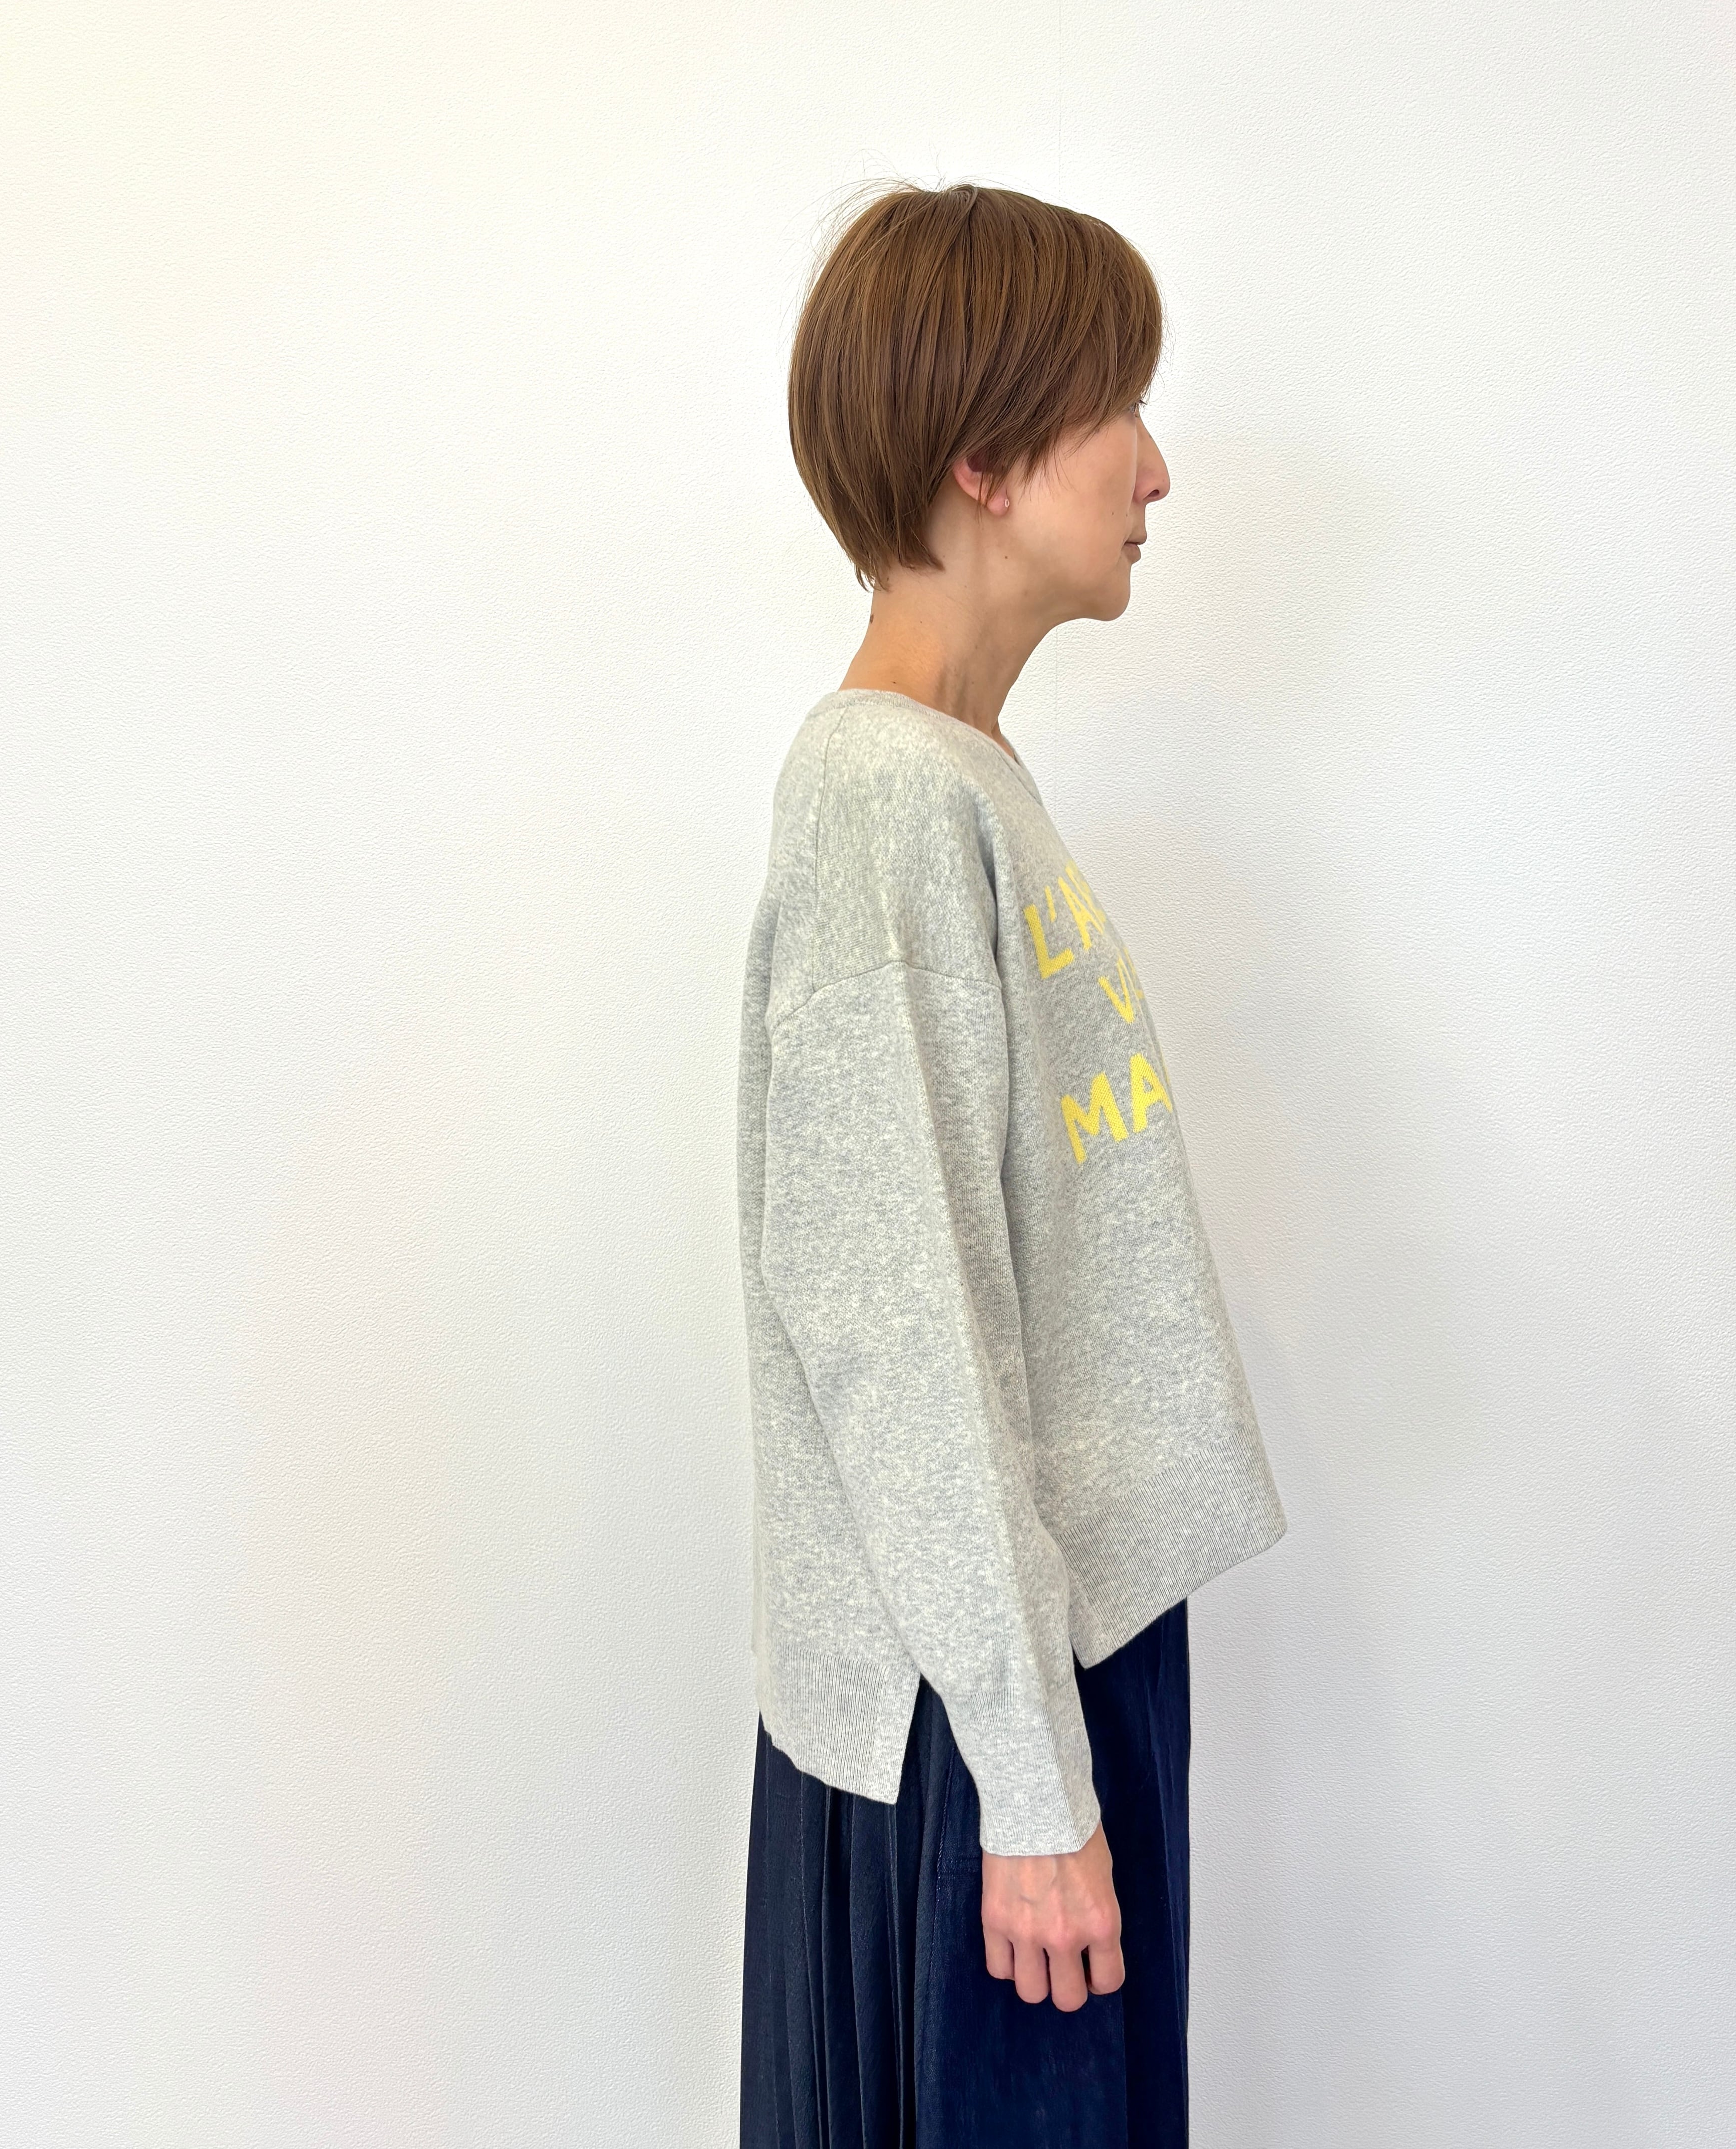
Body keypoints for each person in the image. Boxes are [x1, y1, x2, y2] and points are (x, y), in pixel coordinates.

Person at [734, 179, 1288, 2149]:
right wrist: (1034, 1788)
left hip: (1031, 1668)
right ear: (980, 458)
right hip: (977, 1720)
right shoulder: (880, 796)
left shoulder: (957, 778)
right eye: (1114, 410)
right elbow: (897, 1329)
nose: (1156, 467)